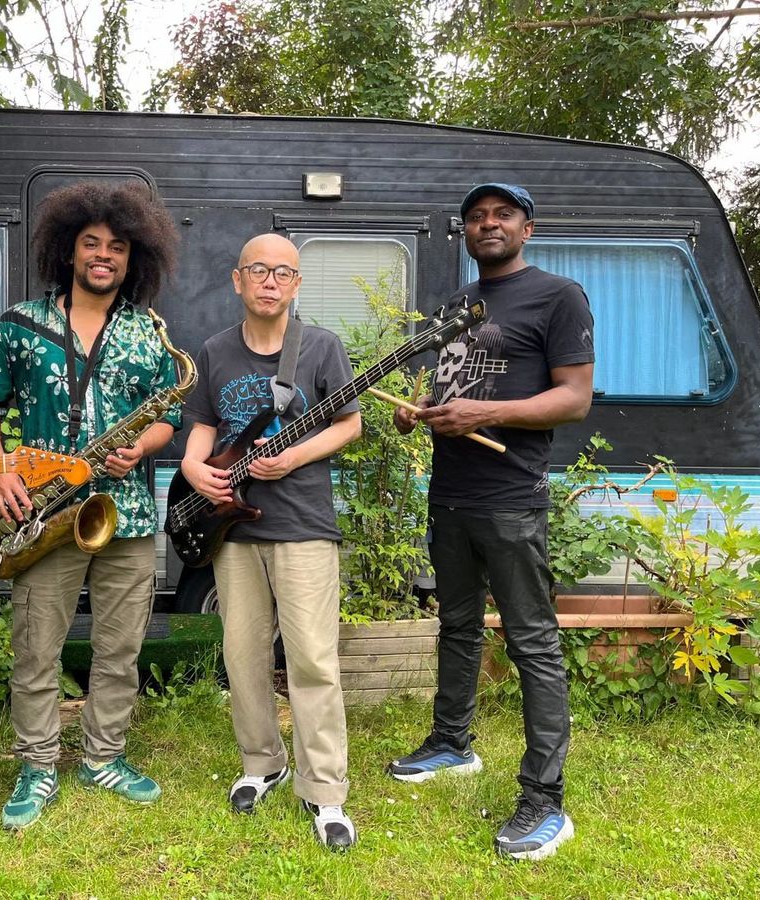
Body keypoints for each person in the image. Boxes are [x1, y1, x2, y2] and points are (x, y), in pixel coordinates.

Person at [0, 180, 182, 830]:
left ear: (133, 257)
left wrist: (140, 447)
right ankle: (36, 766)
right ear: (68, 250)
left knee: (119, 648)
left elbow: (169, 415)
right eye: (92, 243)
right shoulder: (20, 324)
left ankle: (103, 757)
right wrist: (0, 467)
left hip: (128, 515)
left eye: (117, 246)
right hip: (42, 514)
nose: (104, 256)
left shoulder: (150, 333)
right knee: (37, 648)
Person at [389, 183, 594, 860]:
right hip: (450, 494)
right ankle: (452, 744)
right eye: (476, 217)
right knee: (455, 625)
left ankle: (546, 799)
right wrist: (420, 407)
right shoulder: (459, 305)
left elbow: (574, 398)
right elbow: (455, 386)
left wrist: (487, 416)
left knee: (532, 642)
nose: (487, 224)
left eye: (501, 215)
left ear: (527, 228)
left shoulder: (559, 297)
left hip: (512, 499)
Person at [179, 233, 363, 850]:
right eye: (257, 269)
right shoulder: (214, 351)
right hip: (232, 528)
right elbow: (202, 429)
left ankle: (325, 791)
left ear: (296, 285)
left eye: (283, 272)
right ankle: (263, 763)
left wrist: (292, 459)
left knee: (312, 658)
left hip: (304, 524)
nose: (269, 281)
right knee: (243, 655)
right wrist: (191, 470)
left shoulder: (321, 348)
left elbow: (350, 423)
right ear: (237, 280)